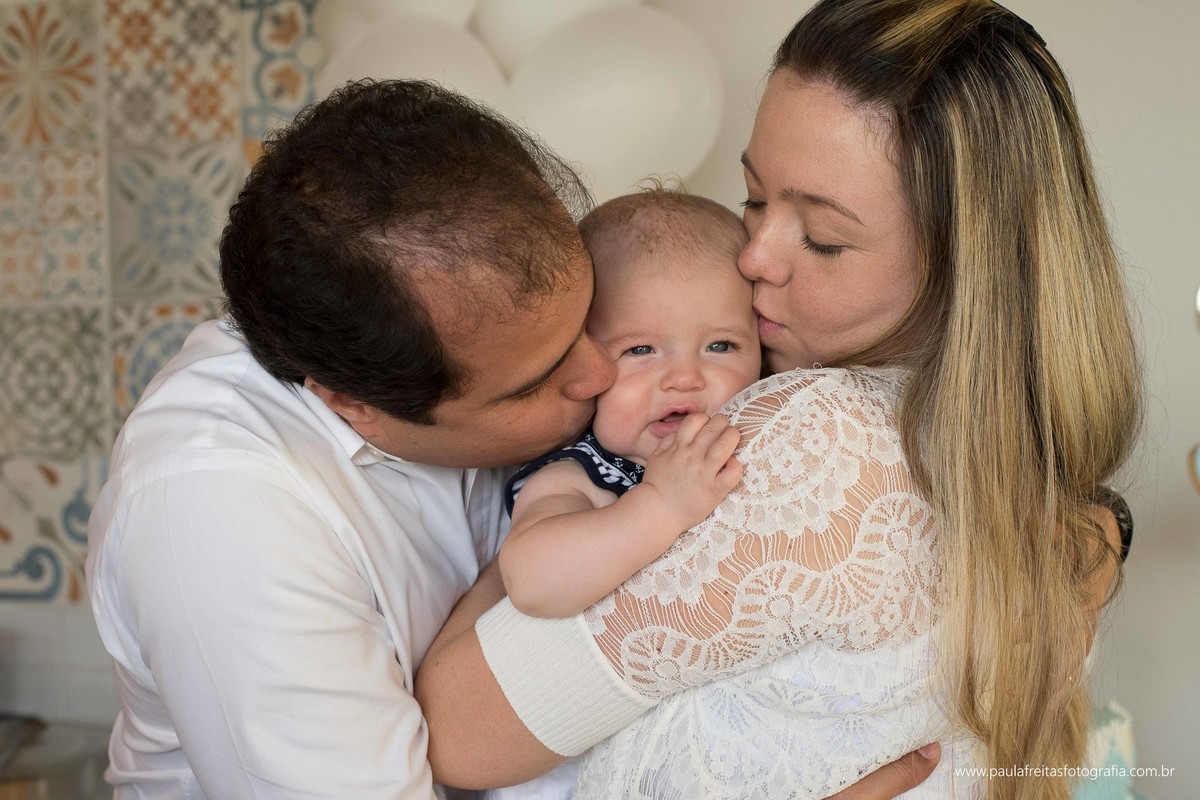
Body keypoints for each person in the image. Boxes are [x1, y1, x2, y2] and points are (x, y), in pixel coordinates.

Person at [85, 78, 938, 799]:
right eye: (537, 383)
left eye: (592, 325)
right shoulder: (220, 517)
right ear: (358, 408)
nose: (601, 376)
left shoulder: (505, 315)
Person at [415, 1, 1139, 799]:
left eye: (822, 237)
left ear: (967, 268)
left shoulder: (817, 441)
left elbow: (447, 731)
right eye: (755, 198)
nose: (754, 255)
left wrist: (549, 487)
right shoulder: (1037, 480)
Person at [499, 188, 760, 620]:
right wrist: (663, 506)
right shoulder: (576, 475)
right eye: (640, 350)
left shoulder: (769, 423)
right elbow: (531, 583)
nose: (684, 379)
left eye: (720, 344)